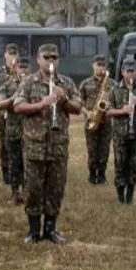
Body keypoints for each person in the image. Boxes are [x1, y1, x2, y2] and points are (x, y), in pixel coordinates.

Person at [14, 43, 82, 243]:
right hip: (35, 146)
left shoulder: (66, 82)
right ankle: (34, 230)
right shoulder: (28, 82)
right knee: (33, 189)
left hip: (57, 146)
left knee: (55, 189)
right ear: (38, 59)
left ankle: (51, 229)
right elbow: (18, 106)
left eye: (54, 58)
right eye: (46, 57)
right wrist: (41, 104)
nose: (50, 61)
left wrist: (64, 100)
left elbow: (78, 108)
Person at [106, 57, 136, 205]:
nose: (130, 74)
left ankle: (130, 194)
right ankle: (120, 195)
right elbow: (108, 112)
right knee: (120, 163)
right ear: (122, 72)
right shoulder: (115, 90)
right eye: (127, 71)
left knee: (133, 164)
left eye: (133, 71)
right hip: (120, 134)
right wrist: (122, 110)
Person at [0, 55, 30, 206]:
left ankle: (28, 193)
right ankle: (15, 194)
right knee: (14, 163)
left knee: (29, 164)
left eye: (25, 67)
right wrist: (14, 98)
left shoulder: (35, 85)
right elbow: (0, 104)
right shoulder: (7, 85)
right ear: (15, 69)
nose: (23, 70)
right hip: (13, 130)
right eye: (20, 67)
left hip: (31, 131)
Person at [78, 54, 114, 185]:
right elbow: (79, 102)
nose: (101, 67)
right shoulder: (85, 83)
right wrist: (87, 112)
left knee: (104, 150)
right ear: (93, 65)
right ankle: (92, 174)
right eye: (98, 65)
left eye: (103, 65)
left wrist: (110, 105)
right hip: (91, 120)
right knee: (92, 150)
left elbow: (117, 102)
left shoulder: (112, 84)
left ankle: (102, 174)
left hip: (107, 121)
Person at [0, 43, 20, 185]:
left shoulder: (22, 72)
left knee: (19, 144)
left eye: (14, 54)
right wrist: (1, 100)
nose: (12, 56)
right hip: (3, 114)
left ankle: (19, 174)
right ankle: (6, 175)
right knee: (4, 144)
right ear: (5, 55)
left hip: (19, 114)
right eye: (10, 54)